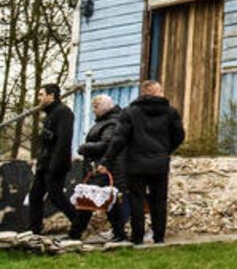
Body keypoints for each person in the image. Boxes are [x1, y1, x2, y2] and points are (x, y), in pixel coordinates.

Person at [102, 80, 184, 245]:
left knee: (136, 201)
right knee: (159, 201)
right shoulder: (171, 112)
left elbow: (119, 139)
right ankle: (159, 237)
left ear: (143, 93)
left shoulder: (130, 112)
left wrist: (106, 160)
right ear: (158, 93)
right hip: (159, 163)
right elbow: (179, 136)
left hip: (135, 163)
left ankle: (137, 237)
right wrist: (165, 150)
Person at [67, 95, 129, 242]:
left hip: (105, 168)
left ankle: (75, 234)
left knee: (88, 200)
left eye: (96, 106)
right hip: (102, 167)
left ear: (105, 106)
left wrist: (84, 148)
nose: (93, 110)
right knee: (106, 202)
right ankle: (119, 233)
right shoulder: (107, 122)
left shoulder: (111, 123)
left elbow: (107, 144)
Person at [26, 83, 77, 235]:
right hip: (45, 163)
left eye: (41, 94)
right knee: (35, 195)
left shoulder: (63, 112)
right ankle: (34, 230)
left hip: (55, 164)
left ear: (51, 95)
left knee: (56, 196)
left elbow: (63, 141)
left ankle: (78, 222)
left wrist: (55, 165)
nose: (39, 98)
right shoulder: (50, 113)